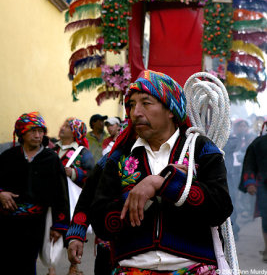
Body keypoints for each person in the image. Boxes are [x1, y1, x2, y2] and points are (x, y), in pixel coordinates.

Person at [67, 70, 233, 275]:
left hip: (193, 267)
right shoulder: (120, 157)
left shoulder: (200, 149)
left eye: (146, 103)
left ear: (170, 109)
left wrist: (163, 183)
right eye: (131, 105)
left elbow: (220, 208)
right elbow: (102, 223)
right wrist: (143, 195)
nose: (135, 112)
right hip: (131, 268)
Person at [0, 112, 70, 275]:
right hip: (5, 224)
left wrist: (59, 226)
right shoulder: (8, 156)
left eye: (40, 131)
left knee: (26, 265)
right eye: (32, 131)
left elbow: (61, 195)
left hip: (34, 225)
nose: (37, 135)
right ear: (21, 133)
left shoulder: (51, 159)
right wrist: (1, 194)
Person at [48, 117, 94, 275]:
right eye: (63, 125)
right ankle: (51, 268)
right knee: (50, 231)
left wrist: (75, 173)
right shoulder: (52, 149)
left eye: (67, 126)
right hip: (53, 198)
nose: (62, 128)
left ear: (75, 132)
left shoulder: (83, 153)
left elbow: (92, 175)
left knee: (72, 231)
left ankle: (73, 267)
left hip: (72, 200)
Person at [239, 121, 267, 263]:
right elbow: (249, 163)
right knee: (266, 219)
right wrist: (250, 183)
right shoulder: (258, 143)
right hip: (264, 187)